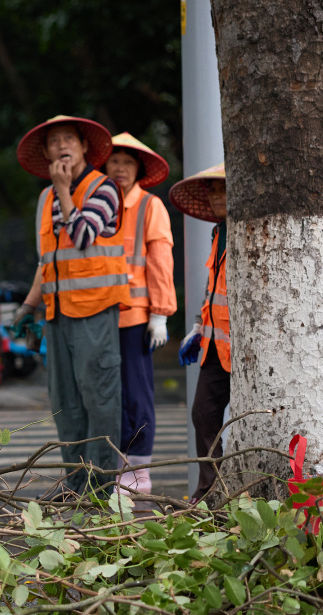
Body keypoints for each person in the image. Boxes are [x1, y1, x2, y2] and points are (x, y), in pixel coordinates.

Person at [10, 115, 129, 498]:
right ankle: (76, 485)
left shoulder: (105, 188)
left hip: (95, 311)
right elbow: (48, 261)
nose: (62, 145)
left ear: (82, 147)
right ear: (46, 152)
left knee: (99, 400)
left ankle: (101, 489)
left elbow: (80, 236)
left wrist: (64, 189)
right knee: (66, 404)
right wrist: (28, 307)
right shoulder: (45, 198)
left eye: (69, 139)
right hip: (57, 316)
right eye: (54, 141)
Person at [103, 133, 176, 495]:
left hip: (134, 319)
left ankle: (138, 472)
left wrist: (160, 314)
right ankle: (114, 468)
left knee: (136, 395)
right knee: (106, 394)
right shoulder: (96, 205)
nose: (119, 168)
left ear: (138, 170)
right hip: (97, 318)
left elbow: (161, 263)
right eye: (114, 161)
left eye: (127, 163)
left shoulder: (150, 207)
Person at [170, 163, 228, 504]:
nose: (217, 197)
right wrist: (196, 327)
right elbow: (212, 287)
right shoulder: (217, 233)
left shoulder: (247, 229)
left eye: (223, 190)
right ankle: (210, 494)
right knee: (203, 414)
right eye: (213, 191)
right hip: (215, 346)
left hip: (244, 350)